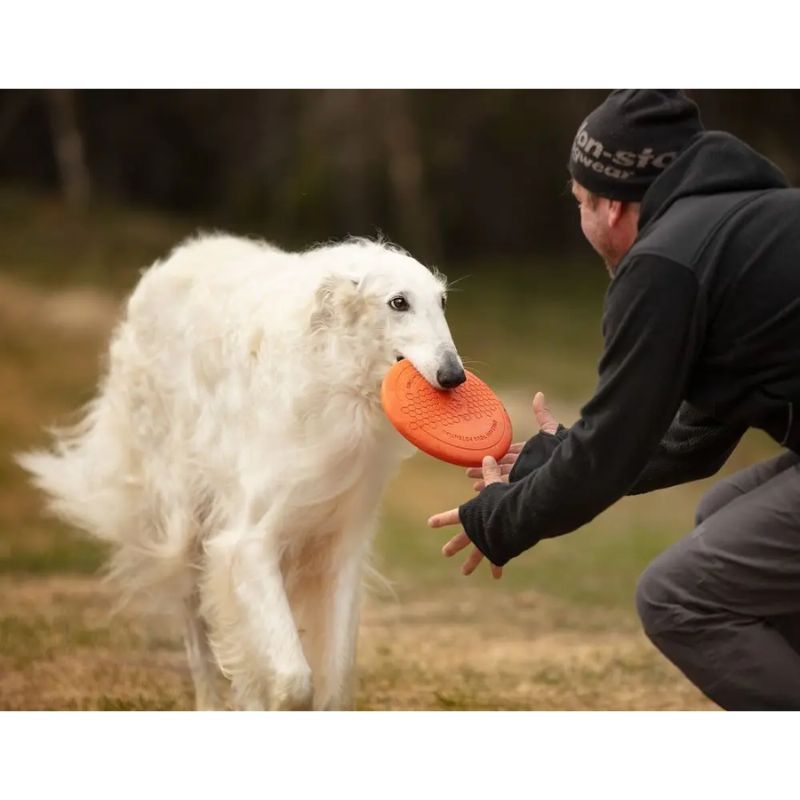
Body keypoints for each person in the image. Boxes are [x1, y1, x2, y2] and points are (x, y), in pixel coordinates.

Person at [428, 89, 800, 711]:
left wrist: (501, 517)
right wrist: (552, 457)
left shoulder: (664, 263)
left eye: (579, 202)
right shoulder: (744, 226)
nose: (581, 222)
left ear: (613, 204)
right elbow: (693, 438)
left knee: (676, 596)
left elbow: (611, 453)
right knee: (724, 512)